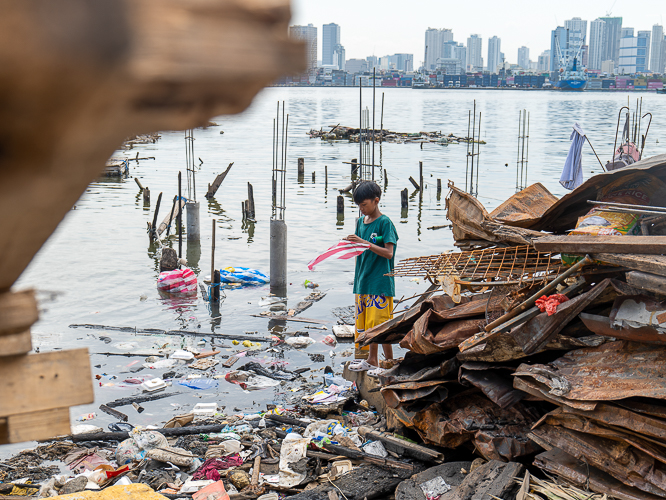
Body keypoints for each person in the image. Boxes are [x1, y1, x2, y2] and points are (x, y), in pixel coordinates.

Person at [346, 180, 398, 377]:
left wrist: (364, 243)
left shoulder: (385, 223)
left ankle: (381, 362)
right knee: (368, 324)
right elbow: (360, 247)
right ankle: (378, 360)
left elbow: (388, 253)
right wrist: (350, 244)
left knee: (380, 324)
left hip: (380, 281)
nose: (361, 209)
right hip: (363, 279)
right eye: (359, 205)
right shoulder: (360, 222)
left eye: (364, 205)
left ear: (376, 201)